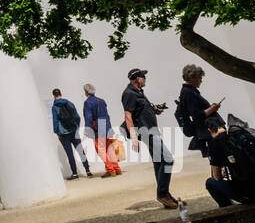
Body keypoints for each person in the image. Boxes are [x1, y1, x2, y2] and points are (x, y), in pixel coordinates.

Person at [121, 67, 180, 209]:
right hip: (146, 132)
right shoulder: (129, 93)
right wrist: (134, 137)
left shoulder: (139, 92)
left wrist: (155, 111)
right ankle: (162, 194)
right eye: (143, 76)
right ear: (137, 79)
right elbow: (128, 116)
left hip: (151, 130)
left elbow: (141, 110)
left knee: (159, 162)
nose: (145, 78)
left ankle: (164, 194)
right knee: (168, 159)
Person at [204, 117, 255, 207]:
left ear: (209, 130)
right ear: (224, 125)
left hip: (249, 197)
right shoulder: (244, 134)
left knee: (210, 183)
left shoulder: (215, 143)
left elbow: (217, 177)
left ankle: (227, 209)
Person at [176, 64, 225, 158]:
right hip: (206, 131)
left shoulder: (190, 91)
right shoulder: (188, 92)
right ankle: (216, 173)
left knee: (216, 158)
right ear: (192, 78)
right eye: (199, 78)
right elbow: (196, 115)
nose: (201, 80)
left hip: (206, 130)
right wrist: (212, 109)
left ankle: (216, 173)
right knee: (216, 158)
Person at [51, 88, 93, 179]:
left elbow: (55, 121)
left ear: (54, 96)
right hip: (74, 132)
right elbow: (77, 117)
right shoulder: (69, 103)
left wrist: (57, 132)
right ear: (61, 94)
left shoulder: (54, 107)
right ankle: (88, 171)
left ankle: (75, 174)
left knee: (69, 154)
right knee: (80, 151)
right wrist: (76, 127)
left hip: (63, 134)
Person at [82, 83, 121, 176]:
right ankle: (117, 168)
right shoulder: (101, 100)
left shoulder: (88, 102)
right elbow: (106, 115)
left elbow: (88, 117)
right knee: (109, 148)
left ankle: (110, 170)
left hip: (98, 128)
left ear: (86, 92)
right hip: (106, 125)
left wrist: (87, 129)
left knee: (100, 149)